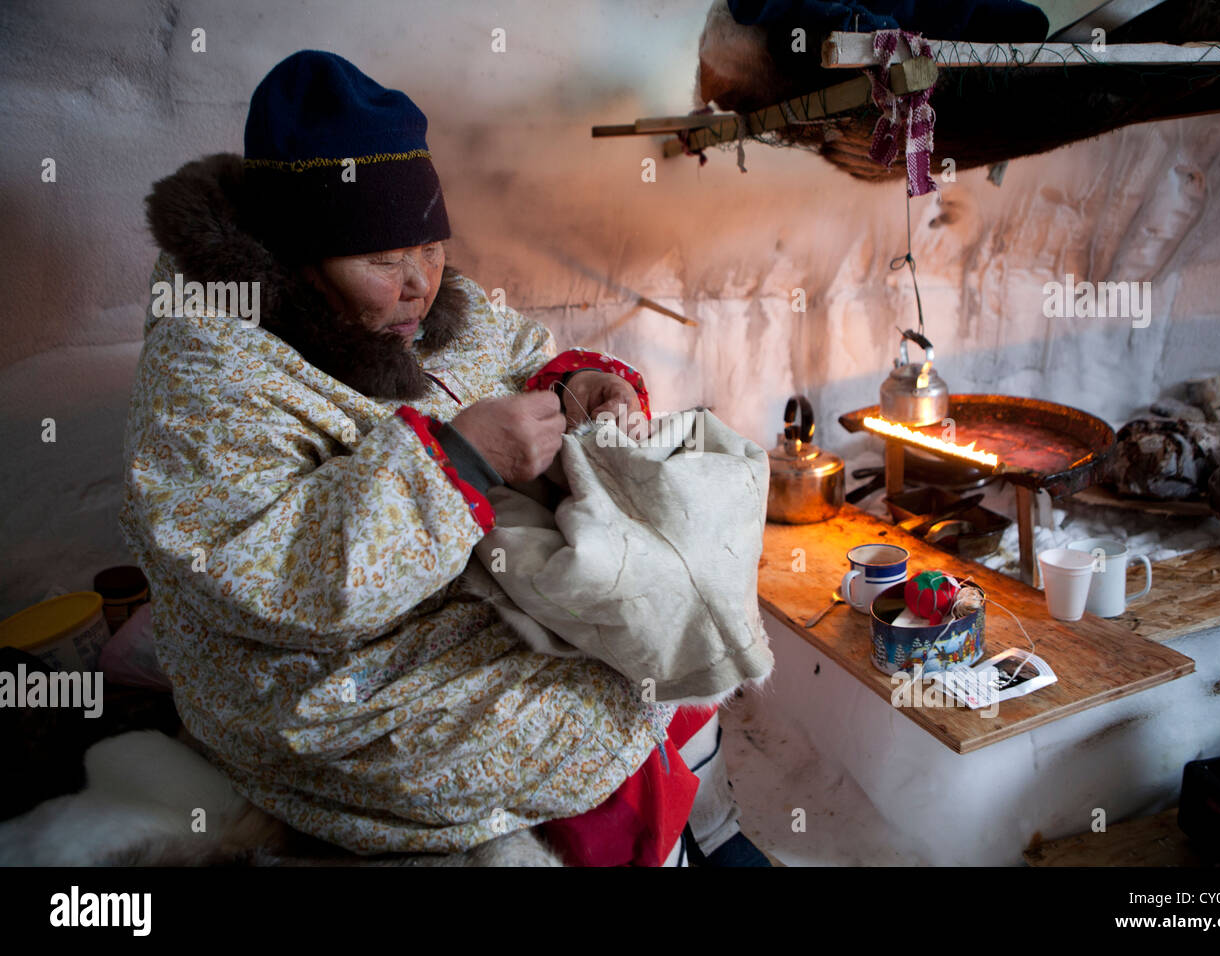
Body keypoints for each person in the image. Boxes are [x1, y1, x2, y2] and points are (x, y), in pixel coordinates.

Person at [121, 49, 770, 866]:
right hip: (318, 677)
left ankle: (702, 827)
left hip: (454, 598)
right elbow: (266, 578)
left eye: (431, 244)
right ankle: (659, 840)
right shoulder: (210, 370)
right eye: (384, 259)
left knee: (668, 619)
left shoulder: (420, 309)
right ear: (294, 255)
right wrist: (459, 459)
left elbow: (516, 349)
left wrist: (579, 386)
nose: (419, 283)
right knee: (599, 697)